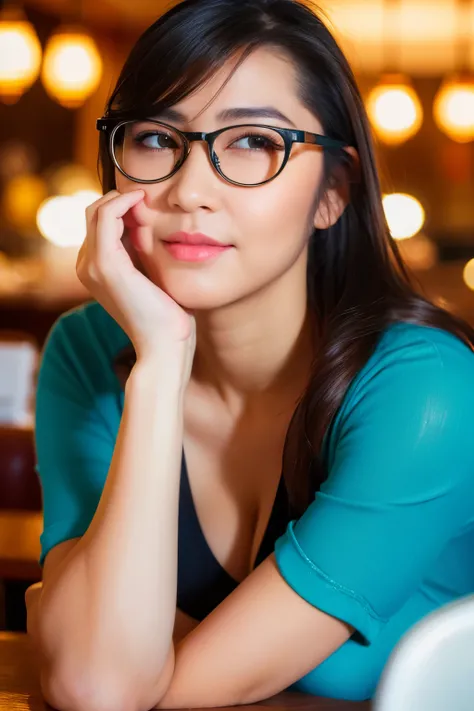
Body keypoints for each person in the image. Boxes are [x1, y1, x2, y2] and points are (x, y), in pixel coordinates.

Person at [25, 0, 474, 708]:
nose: (190, 191)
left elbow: (100, 681)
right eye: (153, 137)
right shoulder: (91, 349)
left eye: (252, 142)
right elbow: (104, 680)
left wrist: (75, 621)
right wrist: (163, 360)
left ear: (333, 191)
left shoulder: (427, 393)